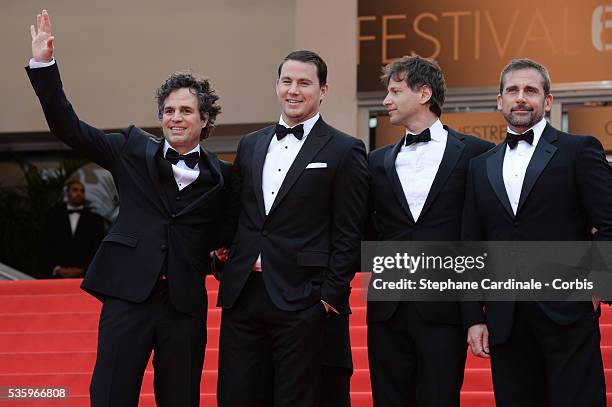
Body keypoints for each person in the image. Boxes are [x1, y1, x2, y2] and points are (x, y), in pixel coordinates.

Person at [27, 10, 231, 407]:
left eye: (186, 111)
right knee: (110, 396)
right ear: (161, 118)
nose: (176, 118)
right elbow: (68, 126)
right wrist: (44, 64)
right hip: (128, 298)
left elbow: (226, 236)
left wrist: (224, 258)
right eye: (169, 111)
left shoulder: (223, 178)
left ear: (204, 120)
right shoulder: (130, 150)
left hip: (184, 307)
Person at [216, 50, 369, 407]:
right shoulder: (251, 143)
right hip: (244, 295)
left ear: (323, 90)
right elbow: (237, 214)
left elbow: (349, 232)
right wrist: (221, 255)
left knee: (297, 399)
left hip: (304, 298)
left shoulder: (346, 149)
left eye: (304, 83)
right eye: (287, 81)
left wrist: (329, 297)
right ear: (277, 86)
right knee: (238, 395)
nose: (293, 90)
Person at [461, 58, 612, 407]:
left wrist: (594, 289)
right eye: (512, 90)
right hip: (505, 317)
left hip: (567, 312)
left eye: (531, 90)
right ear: (499, 101)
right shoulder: (479, 166)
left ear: (547, 101)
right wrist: (473, 317)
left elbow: (609, 225)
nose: (521, 98)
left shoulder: (578, 150)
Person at [367, 55, 493, 406]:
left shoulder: (477, 154)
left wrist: (478, 310)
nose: (386, 100)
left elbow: (483, 235)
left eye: (395, 91)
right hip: (387, 307)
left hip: (445, 307)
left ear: (423, 93)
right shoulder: (376, 161)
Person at [43, 179, 105, 278]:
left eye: (82, 191)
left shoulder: (95, 219)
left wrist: (83, 270)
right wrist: (56, 268)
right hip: (57, 275)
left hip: (85, 277)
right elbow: (47, 244)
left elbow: (98, 248)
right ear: (67, 193)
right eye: (75, 190)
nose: (79, 193)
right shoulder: (53, 217)